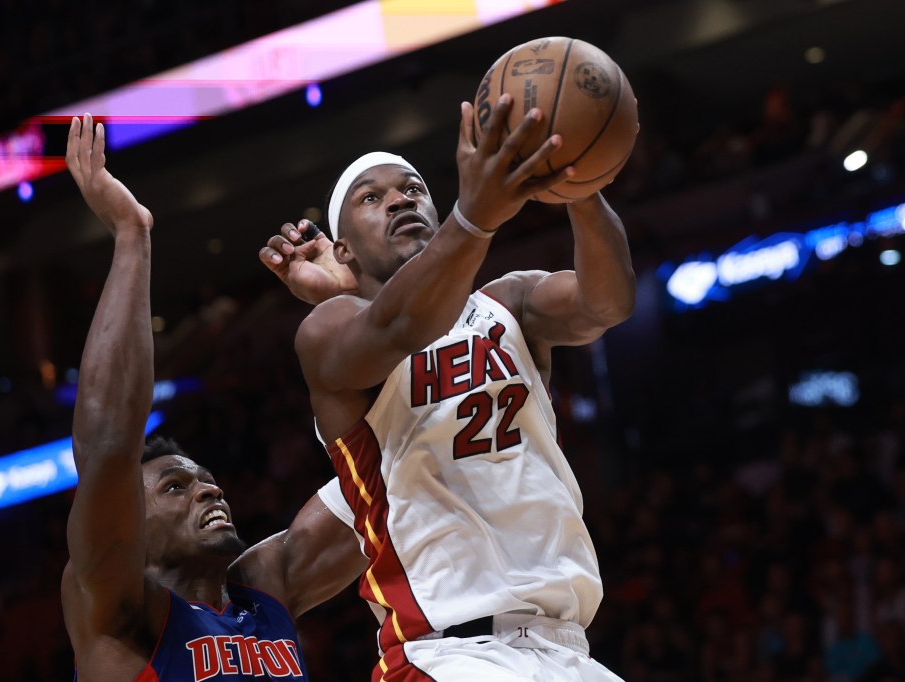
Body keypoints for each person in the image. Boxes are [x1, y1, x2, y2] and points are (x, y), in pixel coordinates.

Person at [259, 94, 635, 681]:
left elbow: (607, 302)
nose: (399, 200)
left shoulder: (508, 302)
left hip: (568, 651)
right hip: (448, 653)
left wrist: (580, 186)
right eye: (372, 197)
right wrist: (475, 216)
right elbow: (397, 324)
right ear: (342, 249)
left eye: (412, 188)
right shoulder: (329, 327)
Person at [62, 113, 367, 681]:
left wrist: (357, 305)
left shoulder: (264, 588)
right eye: (176, 486)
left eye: (204, 478)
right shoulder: (116, 607)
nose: (207, 487)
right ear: (131, 520)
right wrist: (132, 236)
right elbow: (107, 447)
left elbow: (390, 474)